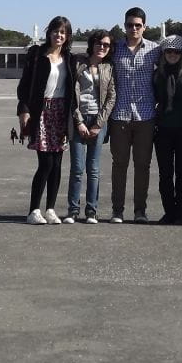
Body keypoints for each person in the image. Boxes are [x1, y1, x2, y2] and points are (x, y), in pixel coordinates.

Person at [17, 16, 77, 225]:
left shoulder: (70, 59)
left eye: (63, 32)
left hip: (61, 112)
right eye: (55, 31)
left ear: (67, 36)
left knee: (58, 163)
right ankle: (34, 210)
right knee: (46, 163)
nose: (59, 35)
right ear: (49, 32)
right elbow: (24, 86)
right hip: (41, 112)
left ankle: (50, 209)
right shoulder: (36, 54)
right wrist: (24, 110)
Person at [109, 7, 160, 223]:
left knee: (143, 166)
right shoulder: (114, 48)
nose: (134, 29)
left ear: (144, 27)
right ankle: (117, 210)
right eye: (130, 25)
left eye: (138, 25)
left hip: (146, 115)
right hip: (119, 115)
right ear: (124, 26)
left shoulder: (155, 50)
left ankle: (140, 210)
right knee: (119, 165)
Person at [66, 29, 116, 224]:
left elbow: (111, 97)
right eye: (98, 43)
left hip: (98, 120)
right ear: (92, 44)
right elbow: (71, 93)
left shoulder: (108, 67)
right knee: (77, 169)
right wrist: (78, 121)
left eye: (106, 45)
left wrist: (98, 124)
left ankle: (91, 211)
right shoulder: (78, 63)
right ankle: (72, 210)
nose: (102, 47)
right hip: (79, 118)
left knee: (93, 169)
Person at [153, 35, 182, 225]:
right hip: (163, 129)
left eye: (177, 52)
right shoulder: (157, 74)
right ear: (163, 53)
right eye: (169, 51)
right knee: (165, 174)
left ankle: (180, 213)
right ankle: (169, 211)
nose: (172, 55)